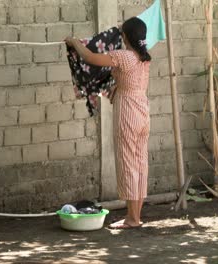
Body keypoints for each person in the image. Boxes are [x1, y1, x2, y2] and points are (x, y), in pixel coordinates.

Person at [65, 17, 151, 229]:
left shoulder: (124, 56)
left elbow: (90, 58)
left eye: (122, 35)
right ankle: (136, 216)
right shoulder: (144, 58)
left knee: (128, 164)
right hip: (142, 110)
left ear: (126, 38)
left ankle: (132, 219)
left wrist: (74, 43)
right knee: (140, 164)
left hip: (128, 112)